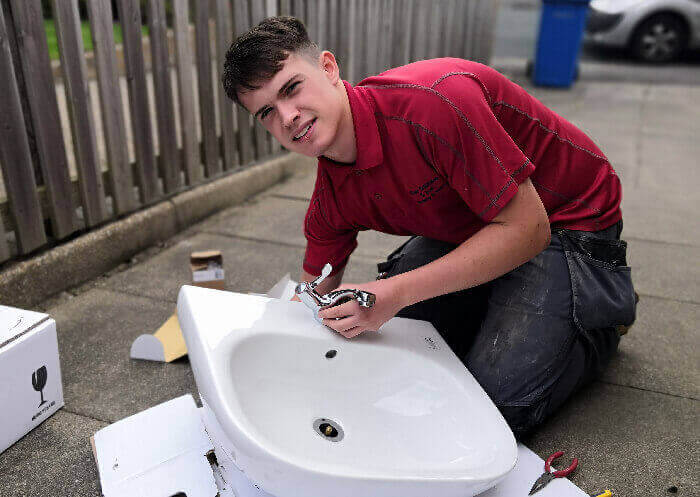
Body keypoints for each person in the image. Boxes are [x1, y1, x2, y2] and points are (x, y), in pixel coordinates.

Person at [221, 16, 637, 437]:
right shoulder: (332, 196)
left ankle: (600, 308)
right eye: (267, 112)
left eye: (291, 88)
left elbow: (530, 229)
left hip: (566, 217)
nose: (288, 116)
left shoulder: (434, 102)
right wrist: (275, 369)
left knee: (495, 411)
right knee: (390, 347)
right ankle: (500, 296)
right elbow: (312, 295)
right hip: (480, 222)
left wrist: (395, 292)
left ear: (328, 68)